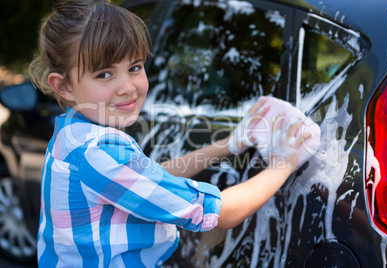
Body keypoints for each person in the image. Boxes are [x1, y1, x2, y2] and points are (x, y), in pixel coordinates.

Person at [29, 0, 311, 267]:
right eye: (105, 74)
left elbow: (150, 176)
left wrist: (228, 145)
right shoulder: (98, 153)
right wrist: (283, 163)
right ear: (63, 86)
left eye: (135, 67)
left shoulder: (73, 133)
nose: (127, 86)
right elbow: (222, 213)